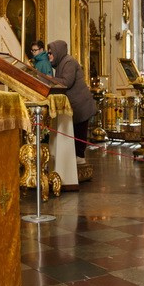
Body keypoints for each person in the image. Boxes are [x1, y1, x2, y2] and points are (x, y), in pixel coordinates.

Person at [48, 39, 98, 190]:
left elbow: (66, 82)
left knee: (80, 132)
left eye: (51, 53)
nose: (49, 56)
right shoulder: (61, 63)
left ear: (58, 52)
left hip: (81, 105)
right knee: (76, 132)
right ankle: (75, 158)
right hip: (76, 105)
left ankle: (80, 158)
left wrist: (48, 78)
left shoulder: (68, 61)